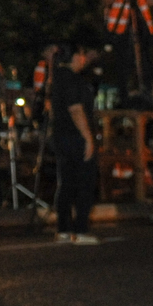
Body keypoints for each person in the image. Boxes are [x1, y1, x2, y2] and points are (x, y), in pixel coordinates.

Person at [51, 41, 101, 245]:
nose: (83, 59)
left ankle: (63, 229)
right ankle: (80, 229)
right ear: (73, 57)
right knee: (85, 183)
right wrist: (88, 137)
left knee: (66, 183)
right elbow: (76, 109)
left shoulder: (57, 79)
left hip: (61, 137)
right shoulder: (73, 80)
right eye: (81, 55)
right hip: (76, 137)